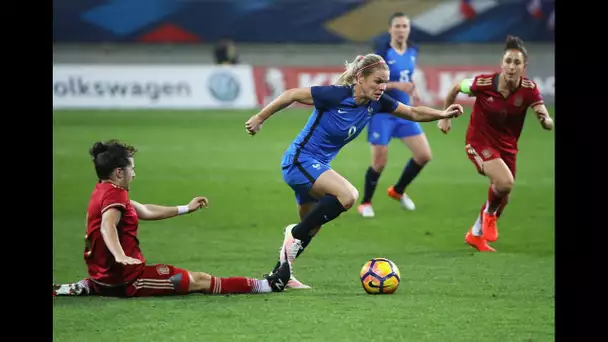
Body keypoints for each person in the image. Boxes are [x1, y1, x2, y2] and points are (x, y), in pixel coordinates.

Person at [244, 53, 464, 288]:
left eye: (385, 81)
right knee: (347, 196)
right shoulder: (336, 95)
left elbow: (412, 112)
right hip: (299, 161)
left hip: (315, 167)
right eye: (377, 81)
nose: (382, 87)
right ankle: (293, 234)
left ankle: (281, 275)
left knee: (313, 226)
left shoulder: (377, 103)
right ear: (360, 78)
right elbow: (291, 94)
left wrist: (442, 113)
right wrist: (260, 117)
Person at [53, 140, 290, 297]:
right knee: (200, 280)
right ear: (119, 172)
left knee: (195, 278)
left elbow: (144, 210)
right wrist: (120, 255)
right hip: (125, 281)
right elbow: (107, 227)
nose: (134, 173)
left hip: (102, 275)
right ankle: (268, 285)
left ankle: (90, 285)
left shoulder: (103, 191)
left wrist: (185, 208)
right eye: (131, 168)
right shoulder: (114, 196)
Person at [437, 35, 554, 252]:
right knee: (505, 183)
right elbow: (455, 88)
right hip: (479, 141)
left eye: (516, 63)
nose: (511, 67)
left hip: (507, 147)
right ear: (502, 64)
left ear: (524, 67)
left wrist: (546, 120)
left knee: (504, 195)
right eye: (508, 61)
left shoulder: (529, 89)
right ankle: (489, 215)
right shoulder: (483, 83)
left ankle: (475, 235)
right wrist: (444, 117)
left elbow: (540, 109)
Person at [358, 12, 430, 218]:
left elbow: (408, 77)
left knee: (424, 155)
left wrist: (413, 92)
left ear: (409, 29)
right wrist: (396, 85)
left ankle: (398, 190)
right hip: (382, 112)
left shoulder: (413, 50)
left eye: (404, 26)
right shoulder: (381, 54)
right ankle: (365, 203)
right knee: (380, 162)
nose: (401, 30)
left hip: (404, 111)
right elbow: (370, 84)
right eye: (397, 26)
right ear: (390, 29)